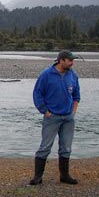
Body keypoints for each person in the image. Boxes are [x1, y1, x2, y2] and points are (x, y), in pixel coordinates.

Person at [30, 51, 81, 185]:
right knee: (45, 146)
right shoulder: (46, 75)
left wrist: (73, 111)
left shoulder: (73, 75)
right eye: (70, 60)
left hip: (68, 118)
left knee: (66, 147)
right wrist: (45, 111)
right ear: (61, 60)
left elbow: (76, 95)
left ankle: (65, 176)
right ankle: (37, 177)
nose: (72, 63)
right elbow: (37, 93)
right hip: (52, 117)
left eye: (72, 60)